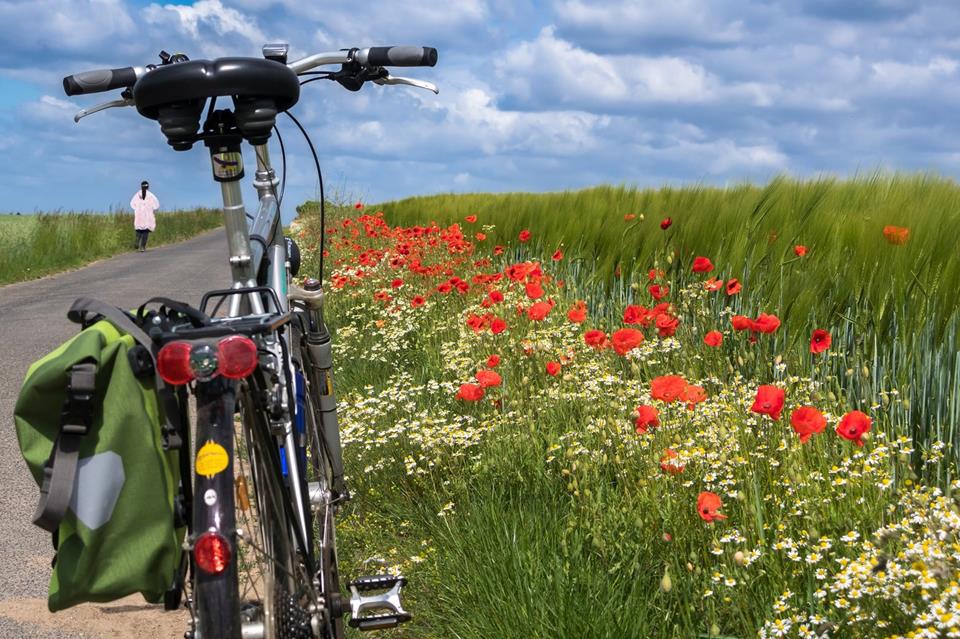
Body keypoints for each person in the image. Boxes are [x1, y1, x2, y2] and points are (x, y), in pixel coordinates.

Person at [131, 180, 160, 252]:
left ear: (141, 186)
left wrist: (138, 209)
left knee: (139, 230)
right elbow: (156, 205)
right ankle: (142, 247)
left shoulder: (137, 195)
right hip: (147, 216)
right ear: (148, 187)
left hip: (139, 216)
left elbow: (132, 204)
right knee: (145, 232)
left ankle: (137, 241)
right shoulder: (151, 195)